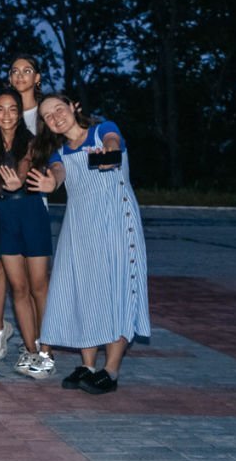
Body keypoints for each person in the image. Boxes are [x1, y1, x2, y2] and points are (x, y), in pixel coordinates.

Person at [27, 94, 149, 394]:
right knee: (85, 291)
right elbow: (58, 173)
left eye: (59, 109)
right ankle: (88, 365)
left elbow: (112, 142)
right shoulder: (58, 152)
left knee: (116, 291)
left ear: (73, 107)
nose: (56, 117)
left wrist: (109, 152)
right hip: (80, 229)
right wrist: (51, 184)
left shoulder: (102, 130)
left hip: (116, 224)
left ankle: (111, 371)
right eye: (48, 116)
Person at [0, 89, 54, 379]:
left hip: (31, 213)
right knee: (18, 288)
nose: (6, 115)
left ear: (19, 113)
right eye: (0, 109)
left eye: (12, 109)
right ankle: (30, 349)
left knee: (39, 286)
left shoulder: (31, 141)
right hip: (3, 217)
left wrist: (18, 181)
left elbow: (26, 165)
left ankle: (46, 351)